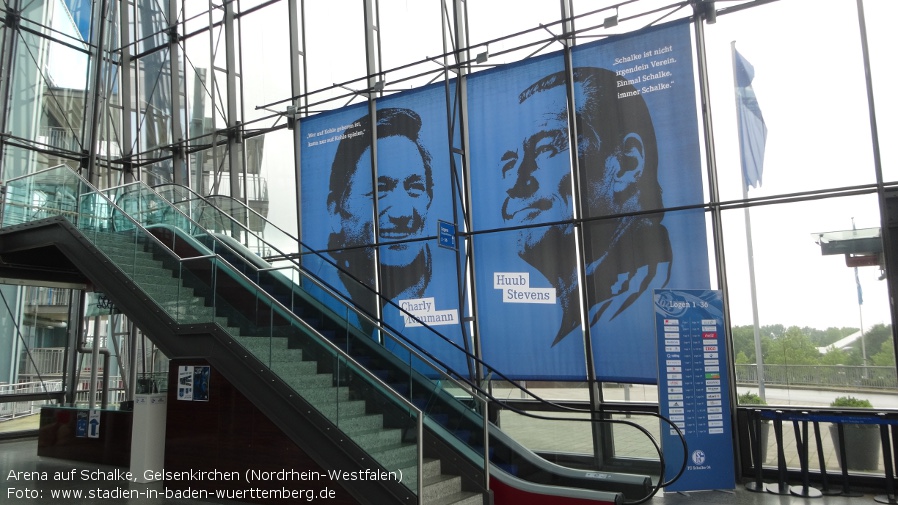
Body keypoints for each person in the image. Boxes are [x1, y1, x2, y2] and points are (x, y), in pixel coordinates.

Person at [500, 67, 671, 346]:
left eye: (544, 150)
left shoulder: (637, 300)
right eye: (509, 162)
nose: (515, 182)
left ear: (627, 164)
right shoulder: (584, 308)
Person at [325, 107, 435, 313]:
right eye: (380, 190)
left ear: (428, 199)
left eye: (415, 188)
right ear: (336, 211)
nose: (402, 214)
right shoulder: (325, 293)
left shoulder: (445, 287)